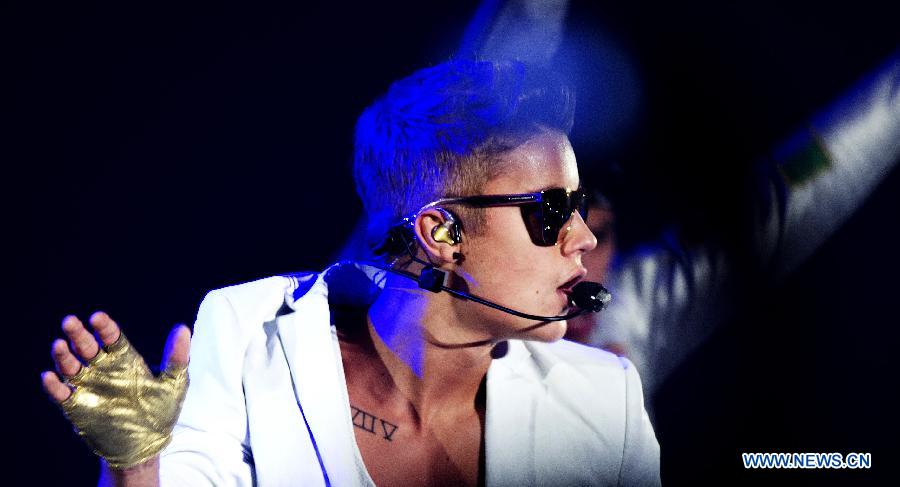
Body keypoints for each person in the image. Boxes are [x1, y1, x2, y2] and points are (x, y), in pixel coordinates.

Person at [42, 60, 661, 486]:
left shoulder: (608, 401)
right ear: (440, 233)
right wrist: (133, 468)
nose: (583, 240)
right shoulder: (245, 337)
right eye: (552, 211)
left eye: (577, 208)